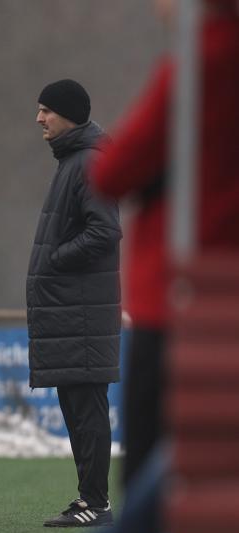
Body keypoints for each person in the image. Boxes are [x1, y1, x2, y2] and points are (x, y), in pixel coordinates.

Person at [90, 0, 239, 489]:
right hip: (215, 291)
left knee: (154, 472)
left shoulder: (202, 62)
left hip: (179, 292)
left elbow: (113, 171)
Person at [27, 79, 122, 527]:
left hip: (80, 312)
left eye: (47, 110)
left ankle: (96, 504)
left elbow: (104, 231)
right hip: (72, 311)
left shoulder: (87, 161)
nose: (40, 118)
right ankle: (91, 501)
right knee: (79, 411)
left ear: (69, 114)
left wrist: (56, 259)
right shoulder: (74, 160)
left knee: (86, 412)